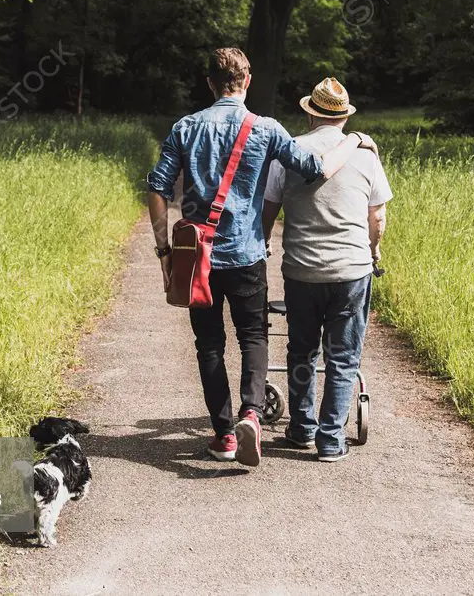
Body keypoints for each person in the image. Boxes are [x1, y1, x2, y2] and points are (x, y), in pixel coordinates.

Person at [146, 49, 376, 467]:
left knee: (209, 345)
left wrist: (164, 252)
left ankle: (224, 436)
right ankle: (251, 412)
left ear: (210, 83)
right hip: (247, 256)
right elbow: (317, 168)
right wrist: (356, 140)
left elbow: (159, 189)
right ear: (247, 81)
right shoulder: (266, 129)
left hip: (196, 258)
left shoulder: (186, 127)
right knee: (254, 336)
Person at [262, 77, 392, 462]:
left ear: (309, 114)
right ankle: (331, 441)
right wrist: (374, 249)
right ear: (345, 117)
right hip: (351, 271)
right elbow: (378, 216)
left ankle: (301, 429)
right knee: (343, 355)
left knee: (302, 350)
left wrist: (266, 241)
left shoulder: (289, 152)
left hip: (301, 270)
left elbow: (269, 207)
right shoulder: (365, 154)